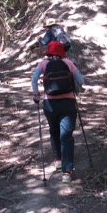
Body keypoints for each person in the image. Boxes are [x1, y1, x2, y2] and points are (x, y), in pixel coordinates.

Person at [31, 40, 85, 184]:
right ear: (62, 51)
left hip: (50, 104)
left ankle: (58, 160)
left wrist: (36, 95)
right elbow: (81, 80)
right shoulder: (68, 63)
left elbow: (34, 78)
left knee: (54, 130)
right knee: (66, 136)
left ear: (48, 51)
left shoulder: (43, 64)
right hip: (68, 103)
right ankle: (67, 173)